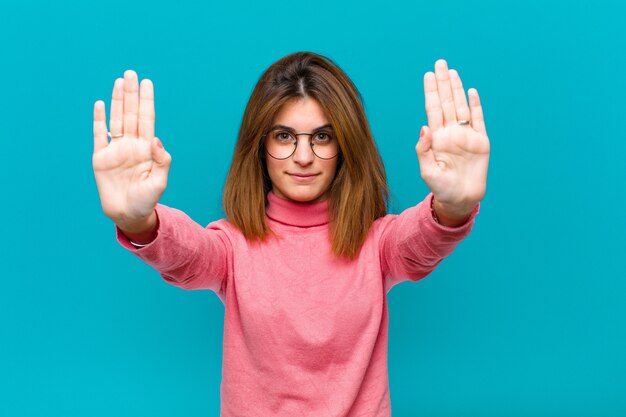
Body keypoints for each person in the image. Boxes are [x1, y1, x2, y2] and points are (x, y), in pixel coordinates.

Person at [92, 52, 490, 416]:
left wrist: (453, 204)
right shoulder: (232, 248)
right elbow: (187, 254)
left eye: (322, 136)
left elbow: (422, 239)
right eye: (284, 136)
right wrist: (139, 219)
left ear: (345, 144)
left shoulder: (379, 245)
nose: (303, 157)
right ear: (260, 146)